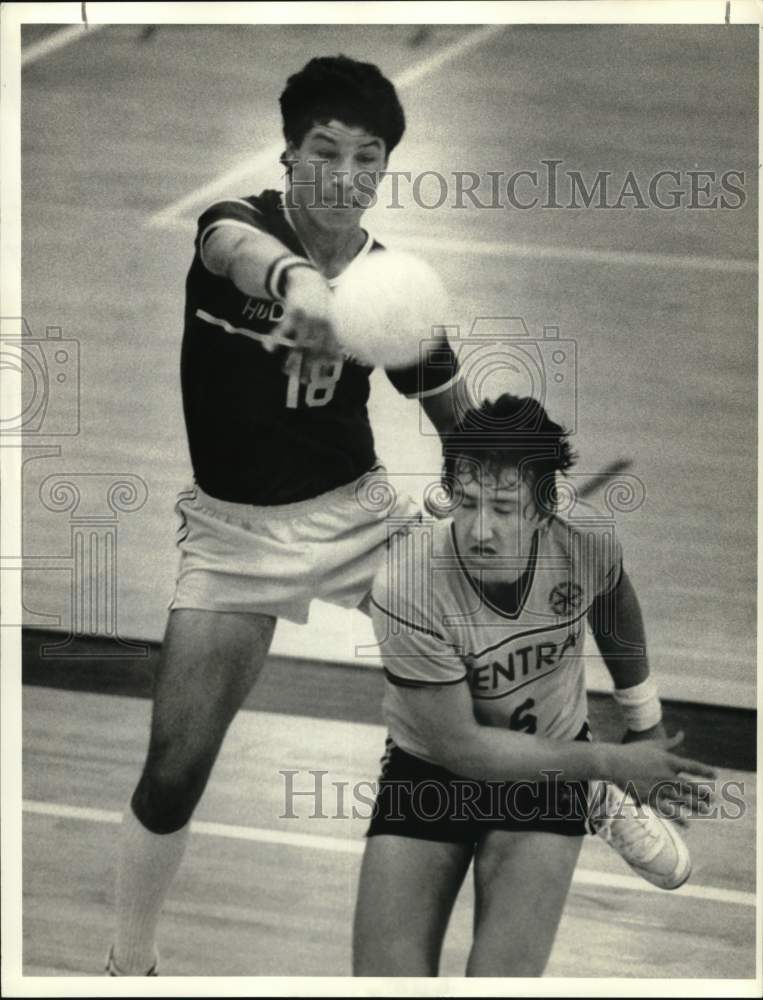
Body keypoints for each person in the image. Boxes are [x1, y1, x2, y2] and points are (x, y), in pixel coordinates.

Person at [107, 55, 462, 976]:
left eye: (366, 159)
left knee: (493, 655)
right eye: (325, 152)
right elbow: (236, 252)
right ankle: (128, 964)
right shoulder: (238, 227)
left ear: (384, 170)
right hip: (232, 540)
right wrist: (303, 286)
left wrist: (494, 471)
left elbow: (457, 420)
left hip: (358, 521)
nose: (344, 177)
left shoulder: (390, 288)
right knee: (174, 769)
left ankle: (595, 790)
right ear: (289, 152)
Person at [353, 393, 716, 977]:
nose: (480, 530)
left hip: (549, 772)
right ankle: (598, 789)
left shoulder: (585, 539)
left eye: (503, 507)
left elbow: (613, 597)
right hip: (434, 769)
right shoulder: (405, 584)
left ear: (545, 509)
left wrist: (642, 719)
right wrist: (606, 764)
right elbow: (461, 747)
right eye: (467, 503)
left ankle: (588, 786)